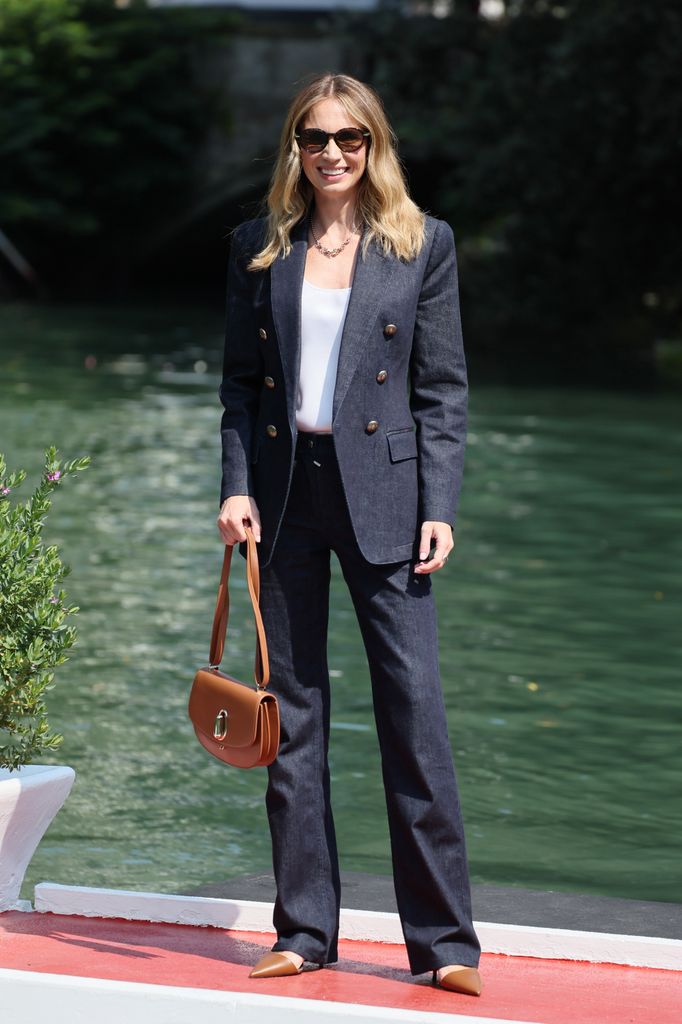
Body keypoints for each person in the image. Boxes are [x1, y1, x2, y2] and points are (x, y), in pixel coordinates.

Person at [216, 72, 482, 997]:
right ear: (295, 146)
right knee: (291, 720)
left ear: (375, 146)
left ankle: (445, 945)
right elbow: (240, 390)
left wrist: (439, 502)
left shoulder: (423, 245)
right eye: (315, 137)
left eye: (350, 138)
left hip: (391, 501)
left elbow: (440, 390)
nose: (332, 152)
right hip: (287, 496)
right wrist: (236, 487)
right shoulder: (259, 245)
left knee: (415, 719)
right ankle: (304, 929)